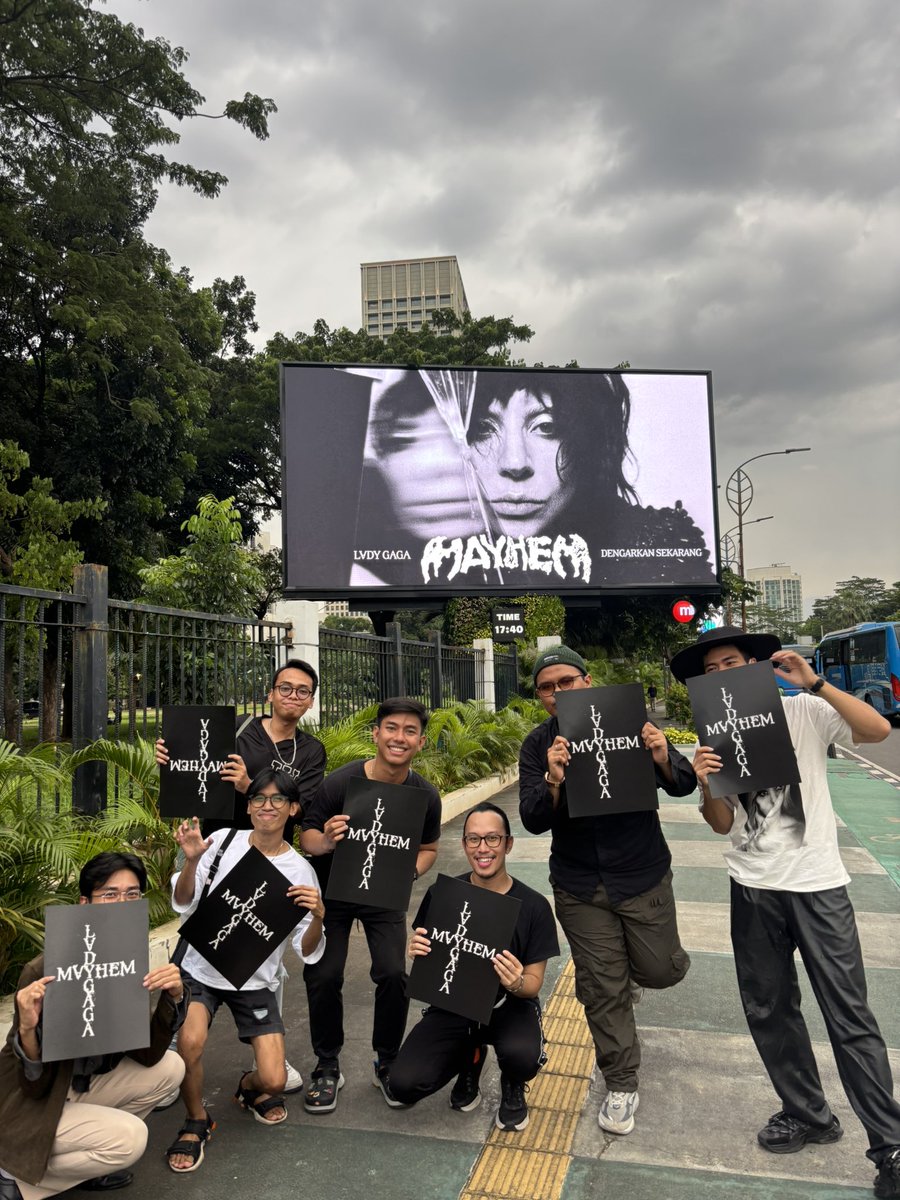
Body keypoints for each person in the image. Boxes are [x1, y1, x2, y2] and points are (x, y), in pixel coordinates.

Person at [672, 625, 900, 1198]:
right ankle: (807, 1113)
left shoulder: (804, 712)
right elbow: (723, 824)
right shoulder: (716, 731)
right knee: (770, 1009)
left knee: (849, 1015)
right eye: (712, 670)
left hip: (818, 885)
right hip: (751, 886)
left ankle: (890, 1144)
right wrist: (706, 785)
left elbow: (876, 729)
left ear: (756, 665)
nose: (721, 675)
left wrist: (814, 681)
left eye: (730, 664)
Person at [518, 646, 695, 1135]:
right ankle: (621, 1079)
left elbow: (682, 784)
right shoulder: (539, 745)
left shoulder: (628, 722)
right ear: (540, 697)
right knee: (602, 987)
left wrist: (660, 755)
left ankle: (629, 976)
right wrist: (554, 780)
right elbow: (533, 819)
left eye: (567, 682)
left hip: (642, 874)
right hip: (580, 885)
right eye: (547, 687)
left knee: (660, 970)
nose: (558, 692)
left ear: (588, 680)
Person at [352, 368, 715, 588]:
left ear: (590, 442)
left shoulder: (655, 549)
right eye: (480, 428)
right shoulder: (375, 550)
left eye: (547, 427)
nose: (514, 463)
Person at [156, 657, 325, 1094]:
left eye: (302, 690)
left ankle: (264, 1058)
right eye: (285, 687)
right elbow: (195, 772)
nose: (292, 696)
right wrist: (170, 760)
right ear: (270, 693)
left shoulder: (310, 751)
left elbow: (301, 806)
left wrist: (250, 786)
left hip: (271, 859)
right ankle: (172, 1063)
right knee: (197, 940)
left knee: (261, 948)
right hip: (216, 846)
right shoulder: (238, 732)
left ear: (309, 700)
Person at [0, 852, 187, 1200]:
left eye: (132, 894)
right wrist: (27, 1030)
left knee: (171, 1067)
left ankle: (83, 1165)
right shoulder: (44, 970)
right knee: (129, 1139)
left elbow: (147, 1055)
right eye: (110, 894)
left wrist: (173, 997)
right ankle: (14, 1178)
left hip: (85, 1083)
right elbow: (32, 1087)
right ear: (85, 903)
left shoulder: (129, 960)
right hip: (38, 1096)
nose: (122, 904)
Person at [167, 769, 325, 1172]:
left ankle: (247, 1088)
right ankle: (195, 1118)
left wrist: (319, 917)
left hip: (254, 980)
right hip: (201, 968)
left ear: (293, 809)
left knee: (274, 1080)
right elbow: (183, 902)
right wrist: (190, 863)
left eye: (276, 800)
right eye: (258, 799)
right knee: (190, 1043)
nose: (266, 807)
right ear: (249, 806)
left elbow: (306, 951)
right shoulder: (222, 843)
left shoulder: (300, 873)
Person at [300, 697, 442, 1112]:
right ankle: (327, 1066)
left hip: (384, 895)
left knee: (395, 972)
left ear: (421, 742)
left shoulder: (424, 796)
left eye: (410, 731)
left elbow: (430, 848)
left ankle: (387, 1059)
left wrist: (408, 872)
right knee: (324, 974)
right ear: (376, 733)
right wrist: (326, 839)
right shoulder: (341, 783)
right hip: (334, 893)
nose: (400, 737)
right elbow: (307, 836)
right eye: (392, 728)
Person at [389, 802, 560, 1131]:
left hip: (509, 1005)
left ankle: (512, 1081)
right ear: (464, 844)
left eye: (493, 839)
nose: (483, 848)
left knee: (522, 1057)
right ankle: (471, 1059)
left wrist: (515, 981)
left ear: (508, 844)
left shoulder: (534, 906)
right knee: (403, 1084)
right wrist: (417, 950)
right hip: (455, 1005)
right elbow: (430, 954)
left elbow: (534, 983)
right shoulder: (444, 894)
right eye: (473, 839)